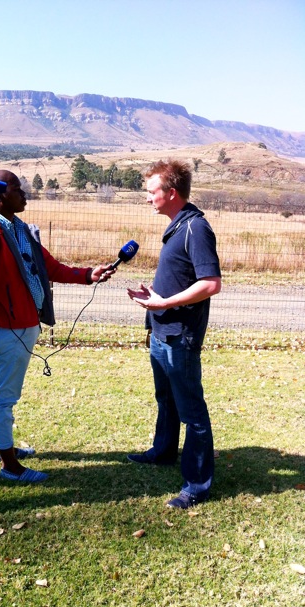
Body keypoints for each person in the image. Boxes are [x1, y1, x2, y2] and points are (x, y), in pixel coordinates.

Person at [0, 169, 115, 483]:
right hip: (8, 330)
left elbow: (48, 267)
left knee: (8, 394)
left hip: (25, 324)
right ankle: (10, 466)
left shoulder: (20, 229)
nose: (24, 195)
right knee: (3, 398)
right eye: (18, 189)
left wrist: (88, 275)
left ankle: (4, 449)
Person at [127, 159, 221, 509]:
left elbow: (211, 284)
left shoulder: (196, 228)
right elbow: (185, 279)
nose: (148, 198)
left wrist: (165, 301)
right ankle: (163, 451)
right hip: (162, 331)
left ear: (172, 192)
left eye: (152, 192)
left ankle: (197, 485)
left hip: (180, 337)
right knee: (165, 399)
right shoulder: (176, 226)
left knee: (191, 410)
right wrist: (155, 296)